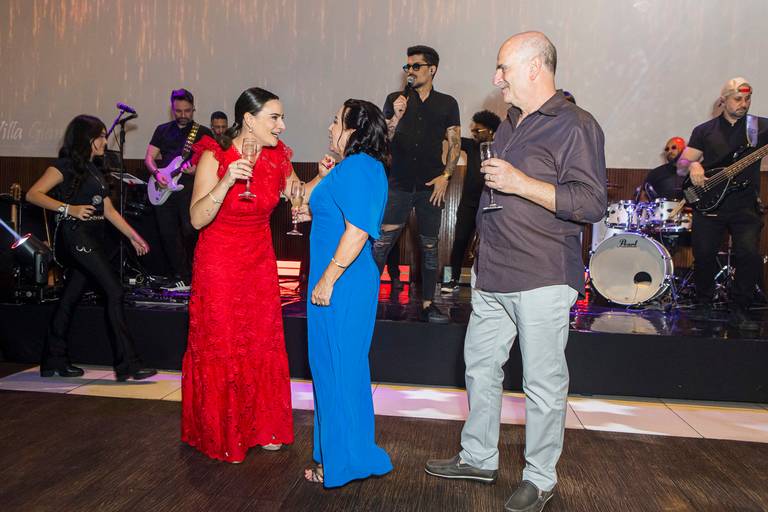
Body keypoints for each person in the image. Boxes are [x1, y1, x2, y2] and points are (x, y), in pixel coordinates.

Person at [425, 32, 607, 512]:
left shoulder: (576, 124)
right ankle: (478, 457)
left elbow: (591, 203)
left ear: (534, 68)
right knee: (480, 367)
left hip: (543, 274)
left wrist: (522, 183)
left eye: (503, 67)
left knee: (542, 384)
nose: (496, 78)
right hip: (493, 273)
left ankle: (540, 478)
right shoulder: (508, 125)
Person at [181, 87, 328, 462]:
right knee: (224, 343)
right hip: (219, 263)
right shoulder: (215, 155)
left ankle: (263, 426)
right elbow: (197, 218)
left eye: (282, 118)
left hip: (260, 261)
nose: (282, 126)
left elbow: (297, 195)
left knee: (261, 340)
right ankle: (224, 432)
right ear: (248, 119)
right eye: (274, 118)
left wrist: (321, 177)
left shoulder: (278, 156)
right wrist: (227, 181)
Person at [301, 99, 393, 486]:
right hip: (339, 280)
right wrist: (315, 206)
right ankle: (340, 456)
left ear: (354, 130)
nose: (330, 127)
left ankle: (342, 463)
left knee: (338, 369)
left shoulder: (359, 167)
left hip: (343, 283)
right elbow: (334, 215)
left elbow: (357, 232)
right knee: (336, 369)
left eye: (336, 121)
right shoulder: (351, 167)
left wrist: (327, 279)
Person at [26, 115, 156, 381]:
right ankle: (128, 364)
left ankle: (53, 359)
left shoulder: (94, 169)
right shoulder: (64, 166)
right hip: (75, 237)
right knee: (114, 290)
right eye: (101, 136)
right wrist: (69, 209)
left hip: (93, 238)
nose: (105, 141)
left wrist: (133, 236)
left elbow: (108, 210)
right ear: (88, 139)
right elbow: (33, 194)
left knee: (70, 297)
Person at [373, 45, 461, 323]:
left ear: (432, 69)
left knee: (430, 246)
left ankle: (428, 304)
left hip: (430, 185)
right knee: (381, 244)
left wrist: (446, 177)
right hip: (398, 183)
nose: (410, 71)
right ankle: (364, 298)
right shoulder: (395, 99)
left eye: (416, 66)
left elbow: (455, 143)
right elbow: (383, 141)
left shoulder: (447, 103)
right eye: (407, 66)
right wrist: (396, 117)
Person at [677, 77, 767, 330]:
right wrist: (693, 165)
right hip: (710, 203)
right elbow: (681, 164)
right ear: (723, 101)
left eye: (747, 99)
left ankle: (741, 309)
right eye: (737, 99)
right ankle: (704, 304)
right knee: (704, 254)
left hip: (745, 203)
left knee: (748, 255)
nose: (743, 104)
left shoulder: (759, 127)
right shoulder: (704, 130)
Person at [144, 88, 213, 291]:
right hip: (164, 188)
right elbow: (149, 158)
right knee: (168, 234)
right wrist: (157, 173)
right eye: (178, 111)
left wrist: (196, 170)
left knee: (190, 231)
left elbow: (214, 163)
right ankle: (181, 276)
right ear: (172, 109)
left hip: (190, 191)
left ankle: (197, 275)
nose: (183, 115)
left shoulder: (203, 133)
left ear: (193, 109)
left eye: (187, 111)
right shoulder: (162, 130)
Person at [441, 110, 501, 293]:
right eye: (473, 130)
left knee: (489, 244)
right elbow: (448, 135)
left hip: (489, 204)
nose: (474, 133)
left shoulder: (501, 147)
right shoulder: (471, 145)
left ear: (491, 131)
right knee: (460, 240)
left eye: (478, 130)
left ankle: (489, 283)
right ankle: (453, 280)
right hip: (468, 204)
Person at [640, 136, 686, 201]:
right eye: (667, 149)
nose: (670, 151)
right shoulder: (655, 173)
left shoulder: (693, 171)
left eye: (673, 147)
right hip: (662, 207)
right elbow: (643, 195)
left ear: (684, 150)